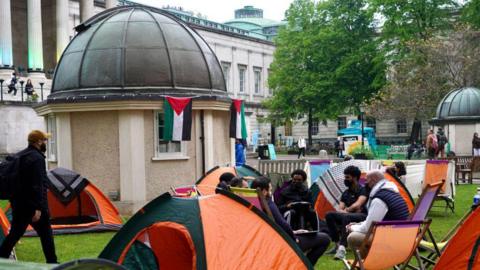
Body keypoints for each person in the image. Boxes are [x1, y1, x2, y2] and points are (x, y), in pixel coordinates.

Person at [0, 130, 58, 263]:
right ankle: (52, 262)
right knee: (46, 234)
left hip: (18, 203)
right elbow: (37, 185)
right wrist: (38, 208)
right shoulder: (37, 158)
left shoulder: (21, 155)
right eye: (44, 140)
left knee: (15, 234)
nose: (45, 143)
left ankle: (2, 258)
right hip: (32, 206)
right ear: (38, 142)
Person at [251, 177, 331, 266]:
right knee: (325, 238)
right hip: (284, 243)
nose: (271, 192)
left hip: (266, 242)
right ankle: (303, 266)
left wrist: (294, 231)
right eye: (270, 189)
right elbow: (283, 224)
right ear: (264, 192)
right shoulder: (268, 203)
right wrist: (294, 237)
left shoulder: (251, 204)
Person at [346, 170, 409, 257]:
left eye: (366, 180)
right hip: (401, 235)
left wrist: (352, 227)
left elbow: (368, 228)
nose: (365, 184)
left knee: (352, 237)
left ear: (374, 180)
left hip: (392, 239)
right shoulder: (392, 193)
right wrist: (358, 224)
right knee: (359, 232)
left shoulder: (380, 199)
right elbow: (374, 222)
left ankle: (366, 265)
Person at [325, 166, 368, 260]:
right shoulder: (345, 193)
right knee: (329, 215)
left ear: (355, 177)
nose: (345, 179)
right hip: (349, 215)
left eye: (347, 177)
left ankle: (342, 247)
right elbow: (340, 208)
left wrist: (347, 210)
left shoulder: (363, 190)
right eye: (345, 177)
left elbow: (358, 204)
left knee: (346, 216)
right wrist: (347, 210)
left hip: (363, 216)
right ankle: (336, 244)